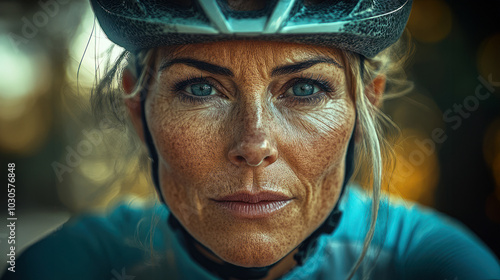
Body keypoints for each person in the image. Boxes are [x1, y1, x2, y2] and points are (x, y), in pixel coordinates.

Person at [3, 0, 500, 279]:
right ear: (139, 111)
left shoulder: (434, 264)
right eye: (200, 89)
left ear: (364, 105)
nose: (254, 143)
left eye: (304, 89)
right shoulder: (73, 266)